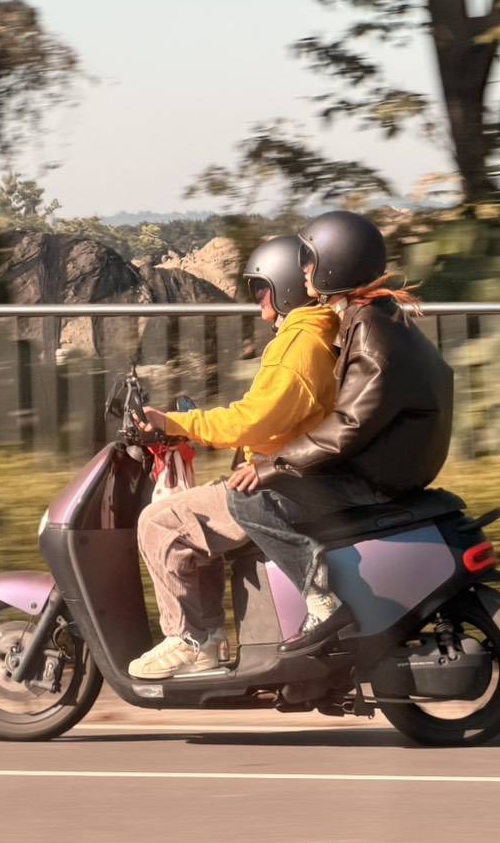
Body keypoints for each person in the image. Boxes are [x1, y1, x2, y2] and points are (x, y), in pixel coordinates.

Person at [225, 210, 455, 654]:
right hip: (390, 462)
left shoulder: (369, 331)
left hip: (376, 476)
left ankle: (321, 601)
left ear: (335, 265)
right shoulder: (373, 317)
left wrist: (275, 463)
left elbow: (349, 425)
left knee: (246, 497)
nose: (305, 271)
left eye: (310, 261)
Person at [127, 236, 340, 680]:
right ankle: (205, 642)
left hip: (279, 483)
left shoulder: (299, 345)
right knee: (190, 519)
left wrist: (179, 424)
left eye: (261, 288)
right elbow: (268, 418)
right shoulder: (310, 336)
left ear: (285, 288)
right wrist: (188, 424)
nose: (257, 299)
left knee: (159, 522)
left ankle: (191, 640)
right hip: (285, 474)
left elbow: (254, 422)